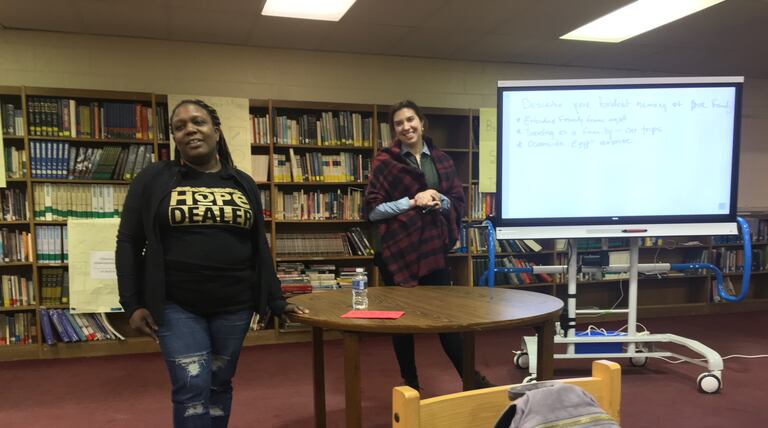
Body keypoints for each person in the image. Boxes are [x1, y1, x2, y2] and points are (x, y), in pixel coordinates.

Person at [116, 99, 307, 428]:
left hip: (235, 305)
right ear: (174, 138)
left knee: (219, 385)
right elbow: (129, 242)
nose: (189, 129)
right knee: (191, 388)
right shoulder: (153, 179)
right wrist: (131, 303)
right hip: (176, 304)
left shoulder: (241, 182)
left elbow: (258, 244)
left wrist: (276, 299)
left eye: (198, 122)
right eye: (180, 126)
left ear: (216, 131)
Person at [364, 99, 493, 391]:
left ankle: (470, 379)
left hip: (433, 249)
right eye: (399, 123)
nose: (406, 127)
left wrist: (438, 199)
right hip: (395, 251)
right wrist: (412, 200)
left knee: (444, 318)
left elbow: (456, 202)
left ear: (422, 123)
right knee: (401, 323)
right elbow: (373, 210)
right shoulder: (385, 162)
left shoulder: (443, 160)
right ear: (394, 129)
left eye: (410, 120)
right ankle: (410, 383)